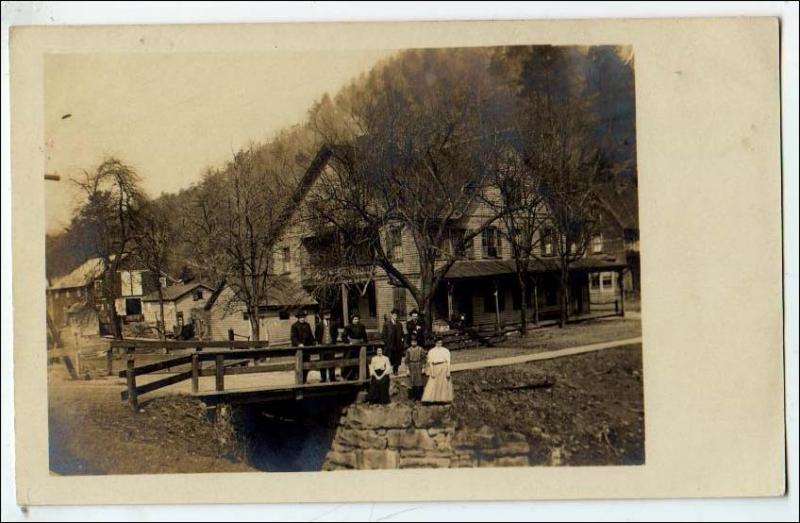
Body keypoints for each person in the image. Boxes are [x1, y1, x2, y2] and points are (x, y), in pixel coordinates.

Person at [421, 336, 453, 404]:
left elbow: (448, 362)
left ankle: (443, 400)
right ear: (435, 343)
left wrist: (448, 371)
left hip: (443, 367)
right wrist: (431, 372)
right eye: (438, 343)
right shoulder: (431, 351)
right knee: (433, 382)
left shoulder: (445, 350)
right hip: (435, 367)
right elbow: (430, 363)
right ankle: (430, 399)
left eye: (440, 343)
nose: (439, 344)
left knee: (443, 384)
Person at [290, 309, 316, 383]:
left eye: (303, 317)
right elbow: (293, 337)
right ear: (298, 318)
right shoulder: (294, 326)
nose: (302, 319)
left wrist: (314, 342)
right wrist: (298, 344)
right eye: (301, 317)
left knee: (307, 365)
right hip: (299, 350)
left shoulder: (307, 325)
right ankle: (300, 380)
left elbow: (310, 336)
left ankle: (304, 379)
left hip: (306, 349)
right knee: (299, 365)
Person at [341, 313, 368, 381]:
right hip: (352, 347)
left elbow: (365, 336)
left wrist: (365, 342)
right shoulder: (348, 327)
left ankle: (361, 375)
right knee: (350, 360)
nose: (356, 320)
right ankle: (349, 376)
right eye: (355, 319)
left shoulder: (362, 326)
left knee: (361, 360)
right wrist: (348, 342)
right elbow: (343, 336)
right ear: (352, 320)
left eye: (357, 319)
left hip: (360, 346)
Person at [315, 309, 339, 383]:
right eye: (325, 314)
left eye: (328, 314)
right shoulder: (319, 324)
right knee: (322, 362)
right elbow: (316, 334)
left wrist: (334, 341)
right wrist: (318, 342)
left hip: (331, 345)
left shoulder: (333, 323)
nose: (327, 316)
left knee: (331, 361)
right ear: (323, 315)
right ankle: (323, 378)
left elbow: (336, 333)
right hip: (322, 345)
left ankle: (332, 377)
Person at [382, 308, 405, 375]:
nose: (395, 316)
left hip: (397, 344)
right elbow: (383, 335)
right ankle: (386, 371)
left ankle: (395, 370)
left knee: (397, 358)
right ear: (391, 315)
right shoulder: (386, 324)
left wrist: (402, 340)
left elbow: (402, 334)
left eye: (396, 315)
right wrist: (387, 342)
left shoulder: (399, 324)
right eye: (394, 315)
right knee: (388, 357)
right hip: (390, 345)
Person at [404, 334, 426, 401]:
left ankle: (419, 396)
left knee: (419, 381)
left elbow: (424, 359)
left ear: (417, 342)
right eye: (412, 342)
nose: (414, 343)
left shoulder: (420, 349)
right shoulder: (408, 350)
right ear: (410, 343)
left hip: (419, 365)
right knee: (412, 381)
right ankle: (412, 396)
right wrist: (407, 369)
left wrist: (423, 368)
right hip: (411, 366)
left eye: (415, 342)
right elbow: (406, 361)